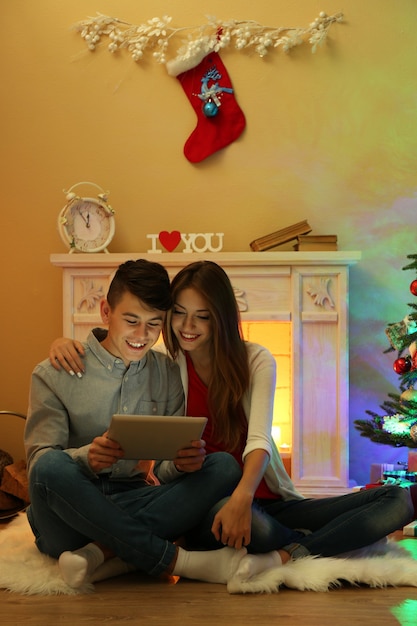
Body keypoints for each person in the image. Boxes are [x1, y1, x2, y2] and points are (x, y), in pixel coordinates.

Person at [50, 260, 415, 585]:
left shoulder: (256, 360)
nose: (187, 326)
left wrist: (243, 497)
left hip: (263, 498)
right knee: (251, 527)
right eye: (178, 313)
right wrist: (67, 343)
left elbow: (258, 440)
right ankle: (331, 538)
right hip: (204, 502)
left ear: (221, 317)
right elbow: (154, 448)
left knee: (398, 498)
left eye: (203, 315)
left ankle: (286, 554)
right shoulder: (164, 363)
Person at [26, 259, 277, 591]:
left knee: (223, 467)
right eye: (131, 321)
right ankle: (178, 560)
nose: (141, 336)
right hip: (69, 516)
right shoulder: (54, 372)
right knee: (50, 467)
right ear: (105, 312)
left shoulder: (167, 371)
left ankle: (106, 554)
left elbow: (161, 468)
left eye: (154, 324)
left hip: (137, 500)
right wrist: (86, 458)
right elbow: (39, 466)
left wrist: (181, 464)